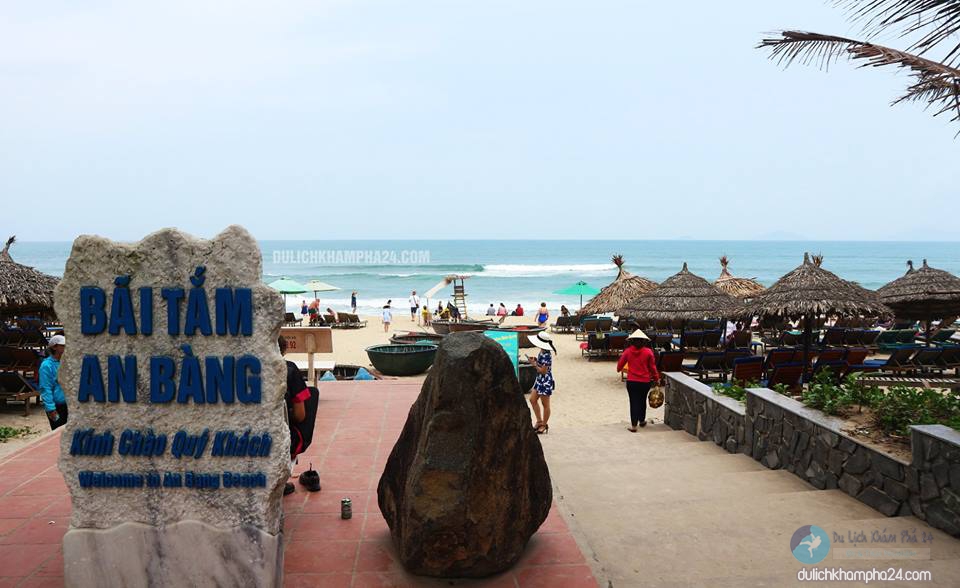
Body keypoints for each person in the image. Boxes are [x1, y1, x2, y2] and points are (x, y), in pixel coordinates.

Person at [279, 336, 309, 495]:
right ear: (284, 350)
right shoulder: (289, 370)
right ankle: (280, 480)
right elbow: (300, 414)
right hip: (284, 439)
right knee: (310, 400)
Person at [616, 330, 660, 432]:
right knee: (642, 401)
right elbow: (653, 368)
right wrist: (657, 378)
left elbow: (619, 366)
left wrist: (620, 369)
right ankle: (642, 420)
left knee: (633, 402)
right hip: (645, 382)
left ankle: (634, 426)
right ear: (644, 342)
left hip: (632, 381)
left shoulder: (627, 351)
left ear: (632, 341)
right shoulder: (648, 352)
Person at [526, 332, 556, 435]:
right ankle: (539, 421)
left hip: (545, 380)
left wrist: (534, 364)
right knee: (532, 400)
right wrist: (536, 360)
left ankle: (544, 424)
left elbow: (543, 371)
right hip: (540, 380)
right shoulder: (542, 351)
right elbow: (542, 366)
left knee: (545, 404)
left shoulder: (547, 354)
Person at [39, 334, 67, 431]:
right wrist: (51, 409)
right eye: (63, 346)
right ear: (55, 347)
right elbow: (45, 388)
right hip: (57, 407)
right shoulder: (46, 366)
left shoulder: (68, 362)